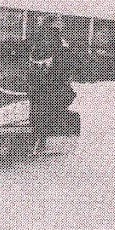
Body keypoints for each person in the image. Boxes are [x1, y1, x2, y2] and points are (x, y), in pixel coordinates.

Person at [26, 18, 77, 152]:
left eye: (52, 31)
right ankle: (37, 140)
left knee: (42, 106)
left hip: (54, 90)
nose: (48, 35)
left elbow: (60, 74)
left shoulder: (61, 51)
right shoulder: (37, 46)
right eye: (47, 30)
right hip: (44, 89)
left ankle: (39, 141)